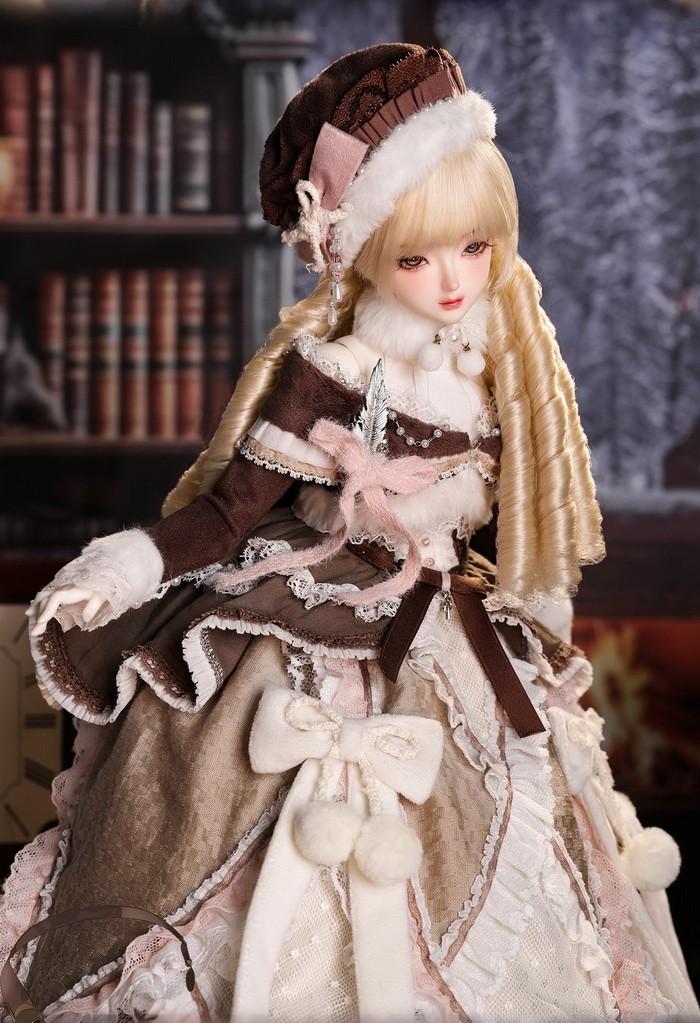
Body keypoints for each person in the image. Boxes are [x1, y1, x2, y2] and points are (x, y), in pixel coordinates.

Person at [2, 42, 697, 1023]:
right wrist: (119, 570)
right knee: (238, 812)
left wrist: (538, 618)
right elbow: (226, 514)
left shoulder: (500, 363)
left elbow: (525, 522)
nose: (452, 279)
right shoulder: (329, 373)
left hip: (452, 622)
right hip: (313, 609)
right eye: (415, 256)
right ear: (360, 249)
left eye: (474, 247)